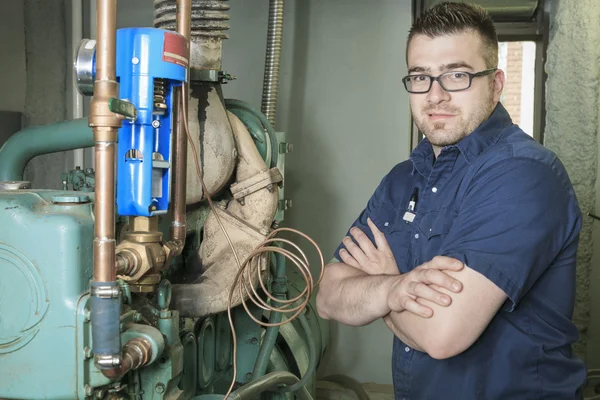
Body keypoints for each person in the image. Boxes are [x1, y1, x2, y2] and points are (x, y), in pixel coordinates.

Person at [315, 2, 587, 399]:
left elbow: (443, 333)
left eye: (457, 75)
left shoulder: (525, 174)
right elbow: (328, 294)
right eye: (420, 76)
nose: (435, 95)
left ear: (495, 84)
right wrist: (397, 290)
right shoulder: (401, 180)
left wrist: (380, 286)